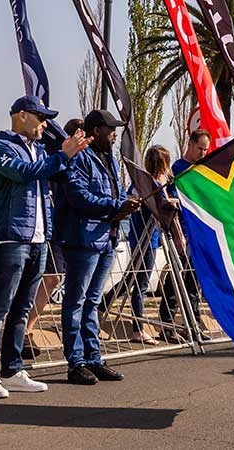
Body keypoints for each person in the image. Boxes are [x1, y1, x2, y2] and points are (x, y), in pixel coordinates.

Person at [0, 96, 90, 399]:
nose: (44, 124)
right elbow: (24, 173)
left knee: (23, 307)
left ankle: (12, 370)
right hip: (11, 237)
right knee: (0, 306)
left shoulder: (38, 149)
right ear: (21, 115)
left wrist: (72, 155)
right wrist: (61, 156)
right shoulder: (0, 147)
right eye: (40, 117)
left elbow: (55, 173)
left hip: (38, 238)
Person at [58, 109, 141, 385]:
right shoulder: (79, 157)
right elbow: (78, 195)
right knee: (76, 302)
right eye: (110, 129)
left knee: (92, 302)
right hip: (84, 240)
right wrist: (115, 206)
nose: (115, 134)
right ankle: (76, 362)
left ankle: (93, 358)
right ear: (96, 131)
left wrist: (125, 205)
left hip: (106, 238)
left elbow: (112, 194)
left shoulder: (108, 159)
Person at [101, 145, 175, 346]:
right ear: (162, 165)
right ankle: (137, 328)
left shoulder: (139, 183)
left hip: (141, 238)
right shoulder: (151, 185)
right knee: (139, 283)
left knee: (130, 280)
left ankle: (103, 306)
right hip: (145, 240)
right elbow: (161, 206)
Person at [25, 118, 83, 357]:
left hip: (63, 227)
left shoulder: (77, 161)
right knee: (44, 277)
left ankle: (24, 329)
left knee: (53, 278)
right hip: (49, 224)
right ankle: (23, 330)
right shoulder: (56, 157)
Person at [161, 129, 211, 343]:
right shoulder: (178, 170)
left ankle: (193, 324)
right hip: (181, 233)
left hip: (198, 236)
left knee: (193, 285)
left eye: (206, 149)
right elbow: (172, 199)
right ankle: (167, 325)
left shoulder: (203, 170)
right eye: (200, 148)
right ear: (190, 144)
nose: (203, 153)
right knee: (174, 283)